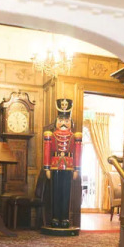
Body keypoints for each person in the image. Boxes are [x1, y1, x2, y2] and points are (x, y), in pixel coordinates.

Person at [42, 98, 82, 234]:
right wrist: (47, 168)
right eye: (61, 120)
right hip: (55, 166)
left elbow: (78, 153)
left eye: (66, 120)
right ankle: (55, 218)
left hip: (69, 166)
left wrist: (77, 169)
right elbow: (47, 151)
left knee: (66, 194)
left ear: (71, 122)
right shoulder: (50, 135)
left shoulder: (75, 136)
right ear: (56, 122)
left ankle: (65, 218)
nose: (63, 123)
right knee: (55, 193)